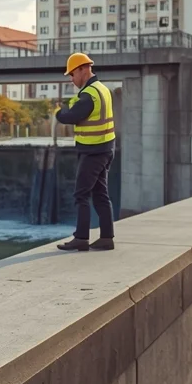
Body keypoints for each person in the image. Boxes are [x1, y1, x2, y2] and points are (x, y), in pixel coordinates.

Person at [54, 52, 116, 252]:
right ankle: (106, 238)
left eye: (72, 74)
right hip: (105, 148)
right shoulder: (102, 89)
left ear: (83, 69)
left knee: (81, 195)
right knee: (100, 194)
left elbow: (73, 116)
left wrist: (58, 112)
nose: (72, 79)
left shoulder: (89, 94)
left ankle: (81, 238)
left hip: (93, 151)